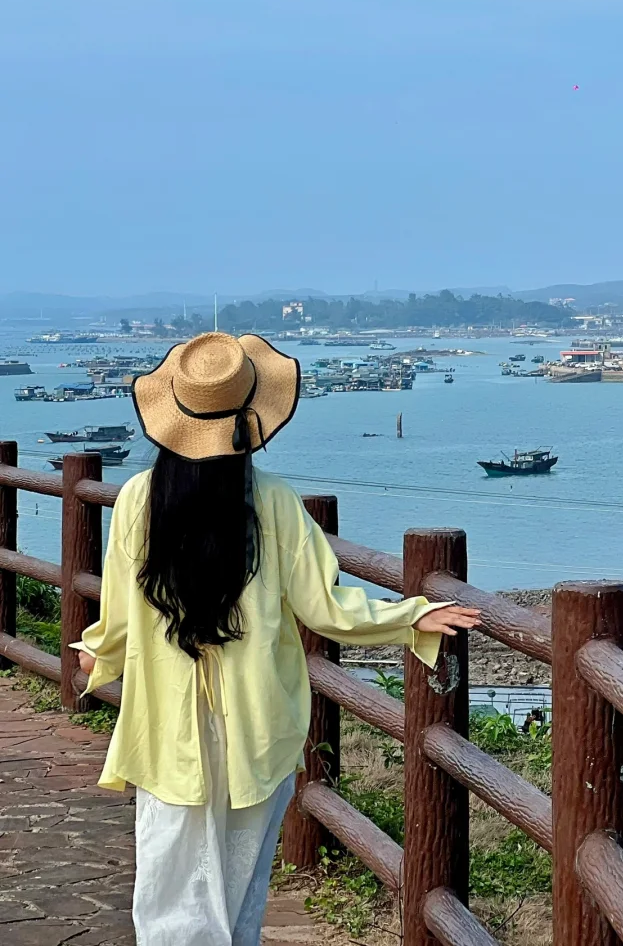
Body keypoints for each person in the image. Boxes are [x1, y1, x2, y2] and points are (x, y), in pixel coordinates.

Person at [69, 331, 480, 946]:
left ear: (175, 415)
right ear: (249, 419)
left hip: (166, 725)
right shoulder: (275, 504)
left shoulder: (137, 500)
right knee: (240, 889)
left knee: (168, 888)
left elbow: (124, 611)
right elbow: (329, 608)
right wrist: (409, 616)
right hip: (256, 728)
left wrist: (98, 652)